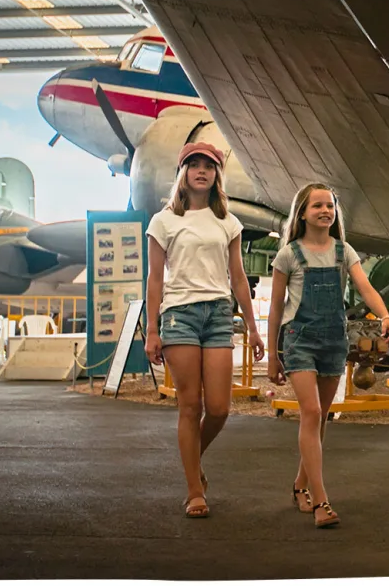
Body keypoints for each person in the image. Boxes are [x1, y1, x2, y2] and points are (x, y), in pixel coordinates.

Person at [267, 183, 389, 529]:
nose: (325, 211)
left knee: (320, 417)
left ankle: (300, 486)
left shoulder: (344, 251)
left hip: (333, 341)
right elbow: (276, 307)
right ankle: (321, 499)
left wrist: (385, 315)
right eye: (317, 206)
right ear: (302, 213)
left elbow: (365, 287)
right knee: (310, 411)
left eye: (330, 206)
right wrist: (271, 354)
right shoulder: (288, 255)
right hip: (299, 340)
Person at [144, 143, 265, 519]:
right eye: (193, 165)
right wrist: (152, 328)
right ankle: (195, 491)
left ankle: (191, 461)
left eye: (208, 166)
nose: (201, 171)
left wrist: (253, 326)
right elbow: (154, 277)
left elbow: (239, 276)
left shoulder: (227, 221)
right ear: (182, 173)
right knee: (189, 405)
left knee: (218, 408)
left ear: (217, 175)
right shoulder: (163, 220)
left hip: (217, 314)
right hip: (178, 315)